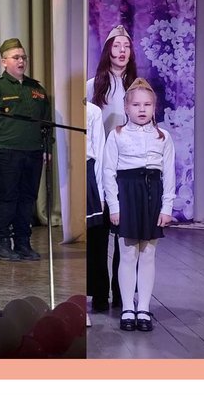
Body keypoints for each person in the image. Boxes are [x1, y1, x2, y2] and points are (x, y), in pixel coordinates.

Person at [103, 78, 175, 332]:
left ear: (154, 107)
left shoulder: (163, 137)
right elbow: (108, 172)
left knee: (148, 253)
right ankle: (127, 307)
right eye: (136, 105)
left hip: (152, 193)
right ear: (126, 107)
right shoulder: (117, 135)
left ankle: (143, 307)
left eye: (147, 105)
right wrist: (114, 206)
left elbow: (169, 173)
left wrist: (167, 207)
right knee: (127, 253)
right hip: (127, 193)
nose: (142, 109)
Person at [0, 38, 50, 262]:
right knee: (5, 198)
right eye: (16, 57)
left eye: (23, 57)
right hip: (5, 152)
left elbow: (46, 121)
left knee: (27, 198)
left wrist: (47, 147)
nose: (21, 61)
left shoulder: (36, 88)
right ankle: (2, 243)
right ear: (4, 61)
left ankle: (23, 242)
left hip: (33, 152)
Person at [87, 24, 137, 307]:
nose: (122, 51)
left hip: (126, 170)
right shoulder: (92, 86)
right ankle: (98, 291)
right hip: (99, 169)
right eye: (117, 46)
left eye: (126, 46)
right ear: (108, 50)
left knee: (124, 234)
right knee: (98, 232)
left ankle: (122, 290)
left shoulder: (137, 87)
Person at [85, 98, 110, 313]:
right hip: (69, 172)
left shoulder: (92, 111)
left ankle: (99, 293)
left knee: (96, 238)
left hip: (88, 172)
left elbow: (100, 151)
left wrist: (100, 192)